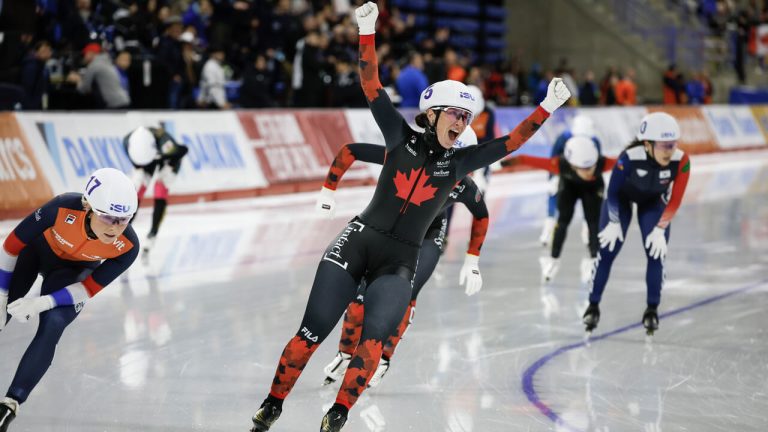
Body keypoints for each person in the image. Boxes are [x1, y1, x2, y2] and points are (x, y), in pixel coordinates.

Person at [248, 3, 570, 431]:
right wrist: (367, 30)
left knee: (373, 343)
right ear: (432, 113)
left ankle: (338, 414)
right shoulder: (399, 138)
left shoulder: (460, 165)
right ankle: (273, 404)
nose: (463, 123)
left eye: (467, 117)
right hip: (357, 241)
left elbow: (510, 142)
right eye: (456, 115)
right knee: (311, 334)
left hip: (399, 262)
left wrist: (546, 106)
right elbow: (370, 83)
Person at [315, 133, 489, 389]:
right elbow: (352, 149)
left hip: (428, 235)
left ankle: (383, 358)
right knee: (362, 291)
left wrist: (472, 260)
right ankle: (345, 353)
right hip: (390, 229)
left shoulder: (465, 184)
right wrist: (328, 190)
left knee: (404, 292)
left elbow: (481, 214)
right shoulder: (410, 155)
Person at [0, 168, 139, 431]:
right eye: (108, 217)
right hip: (36, 253)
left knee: (53, 322)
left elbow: (87, 289)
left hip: (71, 273)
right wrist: (1, 294)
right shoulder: (62, 207)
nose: (116, 228)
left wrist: (42, 302)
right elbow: (11, 247)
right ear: (87, 206)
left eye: (124, 219)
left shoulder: (129, 246)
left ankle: (8, 406)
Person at [582, 112, 690, 335]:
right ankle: (593, 305)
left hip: (653, 203)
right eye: (664, 146)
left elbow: (675, 200)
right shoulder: (629, 158)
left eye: (672, 145)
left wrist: (660, 228)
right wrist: (613, 222)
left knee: (656, 253)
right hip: (621, 201)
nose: (669, 151)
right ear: (647, 144)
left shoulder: (682, 162)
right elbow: (611, 193)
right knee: (607, 252)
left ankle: (652, 309)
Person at [511, 137, 616, 284]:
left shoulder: (602, 162)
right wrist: (500, 162)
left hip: (593, 189)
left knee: (593, 223)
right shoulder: (559, 164)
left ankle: (594, 260)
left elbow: (626, 160)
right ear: (572, 165)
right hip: (569, 187)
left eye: (592, 166)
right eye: (585, 169)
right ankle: (553, 259)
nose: (590, 171)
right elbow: (524, 159)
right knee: (562, 221)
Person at [123, 126, 188, 257]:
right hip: (146, 161)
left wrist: (166, 160)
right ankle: (124, 228)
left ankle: (153, 233)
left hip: (169, 158)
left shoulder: (165, 142)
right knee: (137, 189)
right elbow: (137, 165)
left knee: (160, 187)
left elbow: (183, 150)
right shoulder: (127, 142)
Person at [540, 115, 602, 247]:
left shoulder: (594, 140)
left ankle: (588, 234)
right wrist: (553, 177)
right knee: (555, 199)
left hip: (585, 179)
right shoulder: (564, 138)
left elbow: (599, 163)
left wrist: (597, 182)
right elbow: (554, 159)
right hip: (566, 177)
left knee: (590, 208)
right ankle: (547, 231)